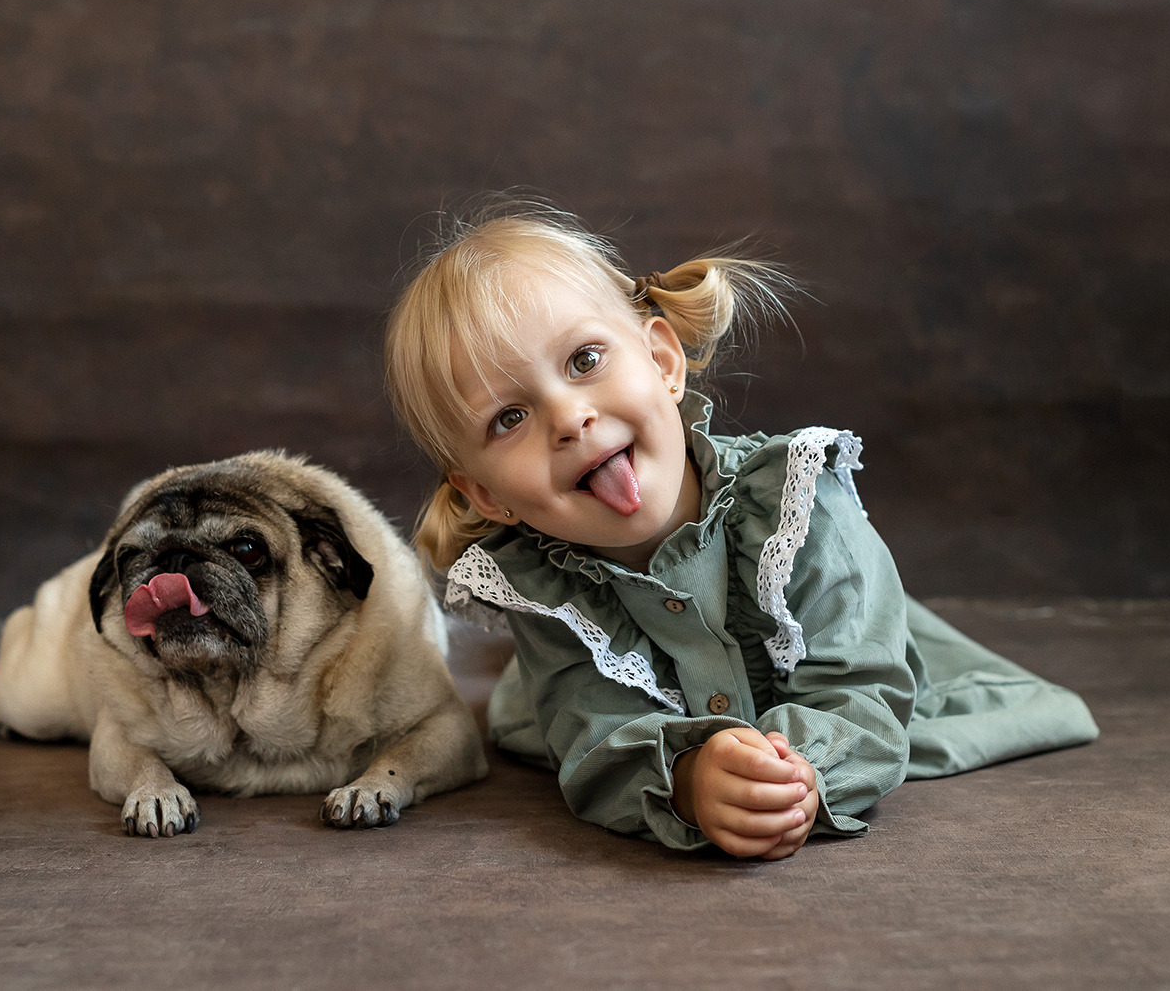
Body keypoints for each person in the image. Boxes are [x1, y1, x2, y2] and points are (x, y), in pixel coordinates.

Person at [383, 197, 1098, 859]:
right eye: (509, 418)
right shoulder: (546, 595)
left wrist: (790, 773)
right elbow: (597, 735)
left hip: (846, 658)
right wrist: (691, 780)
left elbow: (862, 694)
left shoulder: (799, 507)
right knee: (542, 718)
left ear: (663, 362)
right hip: (605, 706)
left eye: (585, 361)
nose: (569, 419)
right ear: (486, 494)